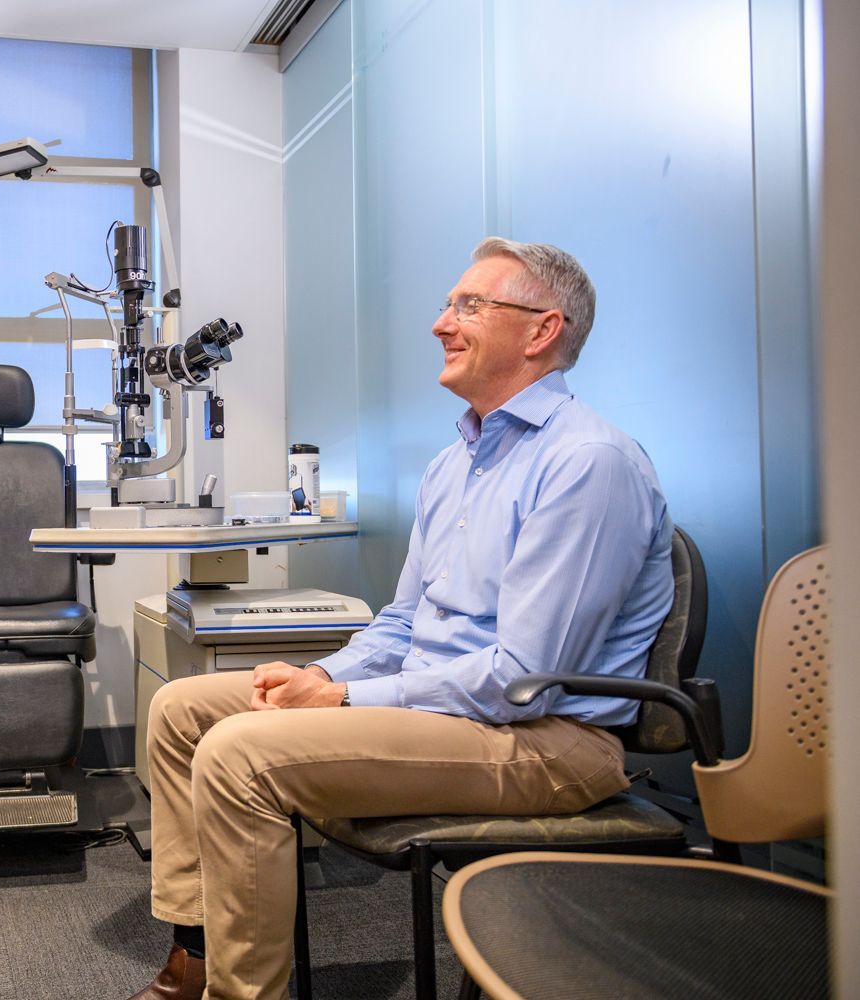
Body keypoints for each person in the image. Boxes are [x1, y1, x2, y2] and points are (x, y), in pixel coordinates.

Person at [127, 238, 673, 1000]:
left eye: (469, 305)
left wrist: (346, 699)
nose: (440, 323)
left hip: (546, 743)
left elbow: (522, 681)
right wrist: (322, 675)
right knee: (183, 710)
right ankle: (197, 961)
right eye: (450, 304)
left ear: (542, 331)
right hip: (454, 713)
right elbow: (402, 623)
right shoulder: (456, 464)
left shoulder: (587, 463)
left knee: (241, 753)